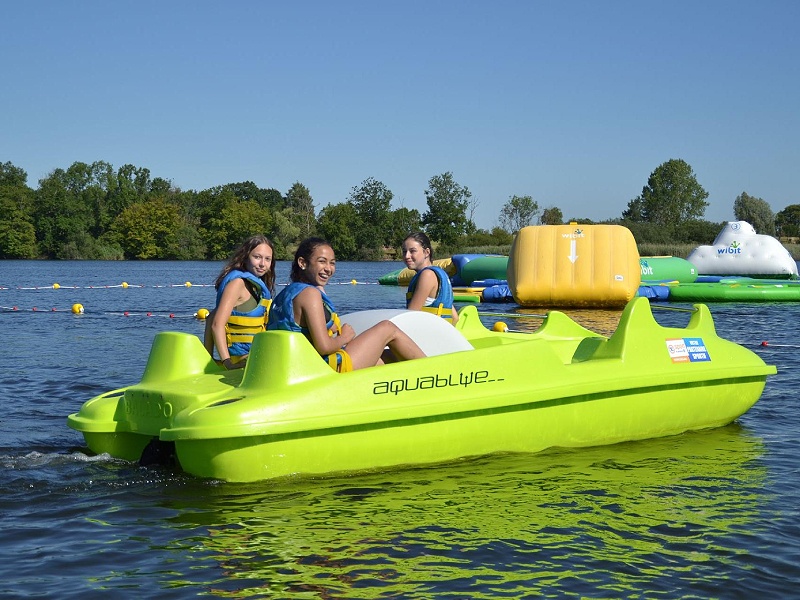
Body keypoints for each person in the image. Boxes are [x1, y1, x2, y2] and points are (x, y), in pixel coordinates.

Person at [267, 237, 425, 371]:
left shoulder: (285, 294)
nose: (328, 269)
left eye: (332, 263)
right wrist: (344, 337)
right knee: (387, 328)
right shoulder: (310, 294)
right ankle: (436, 373)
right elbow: (323, 347)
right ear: (302, 262)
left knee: (389, 356)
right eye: (322, 262)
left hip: (300, 367)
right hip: (323, 369)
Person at [204, 234, 276, 369]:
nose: (262, 264)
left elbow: (211, 318)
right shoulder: (237, 284)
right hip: (242, 360)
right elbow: (216, 324)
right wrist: (227, 363)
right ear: (246, 257)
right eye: (257, 257)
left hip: (255, 356)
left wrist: (209, 358)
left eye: (267, 259)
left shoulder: (254, 286)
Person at [402, 232, 459, 324]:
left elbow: (410, 315)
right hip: (439, 333)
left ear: (426, 252)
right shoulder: (438, 274)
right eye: (404, 251)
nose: (407, 256)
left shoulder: (427, 275)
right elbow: (455, 317)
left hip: (429, 334)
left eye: (412, 251)